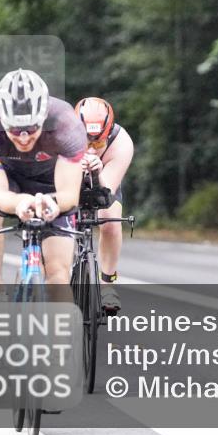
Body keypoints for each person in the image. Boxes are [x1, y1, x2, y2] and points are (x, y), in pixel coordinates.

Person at [0, 69, 85, 299]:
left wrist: (51, 202)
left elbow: (70, 195)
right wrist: (20, 202)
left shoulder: (67, 124)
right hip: (7, 177)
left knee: (58, 276)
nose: (23, 138)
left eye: (31, 129)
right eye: (14, 129)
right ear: (2, 121)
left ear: (44, 117)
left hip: (51, 184)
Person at [75, 97, 134, 313]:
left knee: (109, 222)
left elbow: (106, 193)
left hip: (106, 177)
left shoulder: (121, 142)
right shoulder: (61, 136)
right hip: (68, 177)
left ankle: (107, 283)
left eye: (98, 143)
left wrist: (97, 171)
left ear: (107, 135)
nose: (91, 150)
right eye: (86, 142)